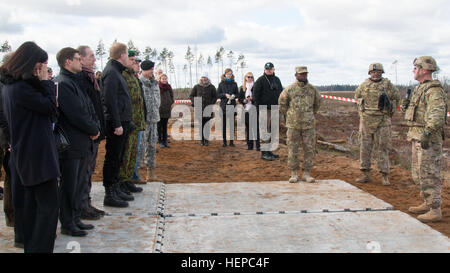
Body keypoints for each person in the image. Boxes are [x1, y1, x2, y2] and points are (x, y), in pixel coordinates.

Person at [0, 41, 59, 252]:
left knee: (32, 209)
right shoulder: (22, 89)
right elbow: (51, 108)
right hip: (36, 157)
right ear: (32, 64)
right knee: (47, 208)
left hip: (25, 154)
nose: (42, 70)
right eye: (41, 65)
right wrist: (46, 82)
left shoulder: (10, 87)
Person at [55, 47, 100, 237]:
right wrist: (93, 129)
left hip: (81, 142)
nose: (80, 62)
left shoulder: (74, 81)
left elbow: (87, 107)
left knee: (77, 183)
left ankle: (75, 219)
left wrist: (94, 126)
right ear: (67, 62)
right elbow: (76, 114)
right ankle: (68, 222)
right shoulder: (64, 83)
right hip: (73, 143)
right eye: (76, 59)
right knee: (69, 185)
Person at [404, 56, 447, 223]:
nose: (413, 71)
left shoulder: (434, 90)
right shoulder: (420, 89)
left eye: (416, 68)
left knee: (429, 174)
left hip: (427, 138)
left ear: (424, 70)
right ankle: (427, 202)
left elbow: (436, 116)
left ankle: (435, 209)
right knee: (419, 173)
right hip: (417, 136)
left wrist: (427, 134)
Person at [354, 63, 400, 185]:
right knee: (365, 148)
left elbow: (397, 98)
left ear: (382, 73)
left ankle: (384, 175)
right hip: (366, 120)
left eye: (379, 72)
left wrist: (390, 109)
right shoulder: (364, 85)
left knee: (382, 148)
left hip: (382, 121)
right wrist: (361, 111)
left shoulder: (388, 85)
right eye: (374, 72)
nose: (376, 74)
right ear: (370, 73)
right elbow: (357, 98)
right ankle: (365, 174)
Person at [101, 42, 134, 208]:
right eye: (127, 54)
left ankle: (116, 187)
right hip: (117, 124)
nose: (128, 57)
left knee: (118, 157)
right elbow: (109, 100)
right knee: (112, 158)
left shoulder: (116, 71)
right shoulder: (112, 73)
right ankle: (110, 193)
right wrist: (117, 123)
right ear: (121, 55)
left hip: (123, 122)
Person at [76, 45, 106, 220]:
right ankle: (81, 206)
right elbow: (82, 109)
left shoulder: (89, 78)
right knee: (83, 172)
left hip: (93, 131)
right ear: (81, 58)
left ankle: (85, 203)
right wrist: (92, 128)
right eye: (92, 56)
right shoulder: (80, 79)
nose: (95, 59)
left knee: (88, 171)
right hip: (86, 134)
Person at [279, 66, 322, 183]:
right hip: (293, 125)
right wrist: (290, 115)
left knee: (309, 149)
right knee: (292, 149)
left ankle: (306, 173)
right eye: (301, 74)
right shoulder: (289, 90)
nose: (303, 76)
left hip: (308, 125)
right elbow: (282, 105)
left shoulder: (312, 90)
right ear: (296, 75)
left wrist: (309, 115)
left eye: (305, 74)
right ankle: (294, 173)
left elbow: (317, 104)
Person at [118, 50, 146, 193]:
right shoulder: (123, 76)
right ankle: (122, 182)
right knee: (126, 154)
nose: (136, 64)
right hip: (128, 122)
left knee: (132, 153)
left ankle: (127, 180)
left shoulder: (133, 77)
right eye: (134, 61)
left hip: (136, 121)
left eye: (137, 62)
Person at [253, 62, 283, 160]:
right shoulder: (260, 80)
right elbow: (255, 95)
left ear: (274, 69)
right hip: (264, 109)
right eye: (267, 69)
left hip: (275, 109)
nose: (269, 70)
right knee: (264, 131)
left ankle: (269, 151)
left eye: (270, 69)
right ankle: (264, 153)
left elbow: (281, 93)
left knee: (272, 131)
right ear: (264, 70)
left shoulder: (277, 80)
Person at [139, 60, 161, 181]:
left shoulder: (155, 83)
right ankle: (137, 173)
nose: (152, 71)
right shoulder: (140, 83)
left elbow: (158, 99)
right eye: (150, 69)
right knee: (141, 147)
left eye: (153, 69)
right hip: (143, 121)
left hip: (154, 119)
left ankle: (151, 172)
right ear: (144, 70)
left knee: (152, 146)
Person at [189, 72, 217, 146]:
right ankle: (202, 140)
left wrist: (211, 103)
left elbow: (215, 97)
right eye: (202, 77)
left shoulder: (211, 87)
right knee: (201, 125)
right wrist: (195, 102)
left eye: (205, 77)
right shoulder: (196, 86)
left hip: (208, 108)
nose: (204, 78)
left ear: (207, 78)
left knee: (207, 125)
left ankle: (207, 140)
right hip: (199, 109)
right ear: (201, 78)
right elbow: (191, 96)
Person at [217, 68, 239, 147]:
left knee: (231, 125)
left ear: (232, 75)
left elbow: (237, 94)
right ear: (225, 74)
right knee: (224, 125)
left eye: (230, 74)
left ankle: (231, 142)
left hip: (232, 106)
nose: (229, 75)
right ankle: (224, 142)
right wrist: (224, 95)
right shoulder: (221, 84)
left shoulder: (234, 84)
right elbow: (218, 94)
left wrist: (234, 96)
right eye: (228, 74)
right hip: (223, 106)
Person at [238, 72, 260, 150]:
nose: (250, 78)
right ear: (245, 78)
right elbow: (239, 98)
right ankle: (250, 146)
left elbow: (258, 97)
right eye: (248, 77)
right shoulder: (242, 88)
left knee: (256, 128)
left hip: (254, 109)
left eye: (251, 77)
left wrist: (252, 99)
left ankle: (258, 146)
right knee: (248, 128)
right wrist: (243, 101)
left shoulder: (256, 86)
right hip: (246, 110)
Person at [158, 73, 174, 148]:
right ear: (160, 79)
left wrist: (170, 101)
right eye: (163, 79)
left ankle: (165, 141)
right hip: (159, 110)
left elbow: (172, 96)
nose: (164, 80)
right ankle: (160, 141)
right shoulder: (158, 87)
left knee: (165, 126)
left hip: (167, 110)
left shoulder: (169, 87)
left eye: (165, 79)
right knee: (159, 126)